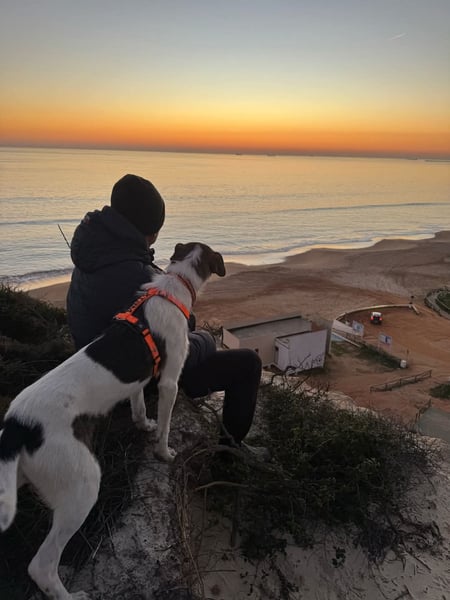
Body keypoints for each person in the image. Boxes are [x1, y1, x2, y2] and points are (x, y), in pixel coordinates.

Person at [66, 174, 262, 450]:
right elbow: (175, 348)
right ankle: (230, 452)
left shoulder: (94, 252)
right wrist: (206, 339)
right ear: (151, 232)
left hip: (94, 363)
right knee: (247, 364)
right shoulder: (139, 278)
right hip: (127, 380)